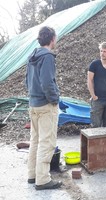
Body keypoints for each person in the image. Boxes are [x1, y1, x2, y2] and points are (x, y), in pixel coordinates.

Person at [25, 26, 62, 190]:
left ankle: (32, 175)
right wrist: (55, 100)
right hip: (46, 106)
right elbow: (47, 83)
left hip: (33, 104)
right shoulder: (47, 57)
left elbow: (27, 81)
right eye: (56, 38)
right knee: (46, 143)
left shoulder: (32, 55)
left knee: (35, 141)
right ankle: (43, 180)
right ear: (52, 39)